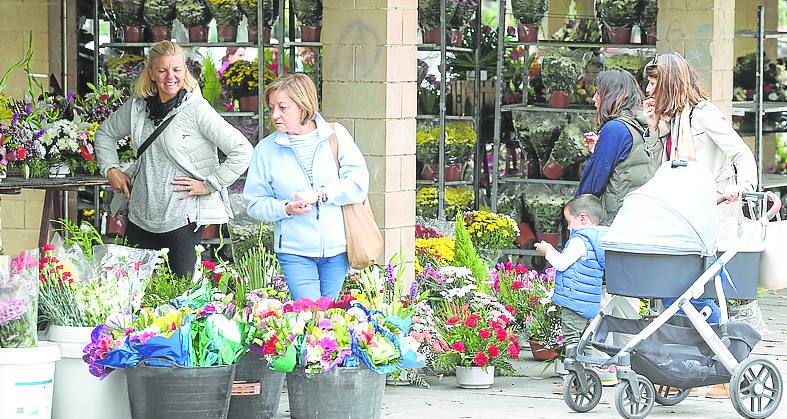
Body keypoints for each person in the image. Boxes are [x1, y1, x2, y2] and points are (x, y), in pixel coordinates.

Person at [643, 52, 758, 399]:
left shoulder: (704, 115)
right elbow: (661, 169)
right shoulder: (674, 120)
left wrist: (741, 188)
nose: (648, 89)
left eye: (653, 82)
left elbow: (741, 153)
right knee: (685, 293)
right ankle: (686, 367)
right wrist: (652, 130)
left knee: (717, 294)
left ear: (670, 84)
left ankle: (728, 368)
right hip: (685, 219)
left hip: (714, 216)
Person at [95, 41, 253, 278]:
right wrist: (111, 169)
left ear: (185, 71)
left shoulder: (196, 109)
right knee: (134, 293)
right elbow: (104, 134)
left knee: (180, 296)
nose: (171, 76)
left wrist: (209, 184)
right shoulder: (137, 108)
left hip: (182, 219)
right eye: (163, 70)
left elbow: (243, 150)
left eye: (177, 69)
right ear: (151, 73)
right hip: (140, 216)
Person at [243, 73, 370, 301]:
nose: (275, 115)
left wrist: (321, 194)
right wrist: (285, 208)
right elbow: (254, 202)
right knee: (309, 313)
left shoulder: (336, 136)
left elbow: (358, 184)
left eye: (283, 108)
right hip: (294, 251)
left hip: (338, 249)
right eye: (271, 108)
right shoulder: (266, 150)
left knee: (327, 317)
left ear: (303, 107)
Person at [534, 194, 615, 390]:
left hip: (573, 300)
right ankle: (587, 378)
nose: (568, 228)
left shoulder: (580, 240)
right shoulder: (601, 239)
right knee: (585, 342)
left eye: (569, 222)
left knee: (572, 342)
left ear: (583, 218)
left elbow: (561, 264)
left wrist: (548, 251)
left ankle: (575, 380)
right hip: (590, 302)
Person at [576, 69, 661, 226]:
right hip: (639, 217)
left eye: (598, 93)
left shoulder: (615, 129)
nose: (594, 99)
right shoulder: (644, 124)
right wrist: (600, 150)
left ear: (610, 96)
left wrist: (575, 212)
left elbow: (592, 185)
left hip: (614, 221)